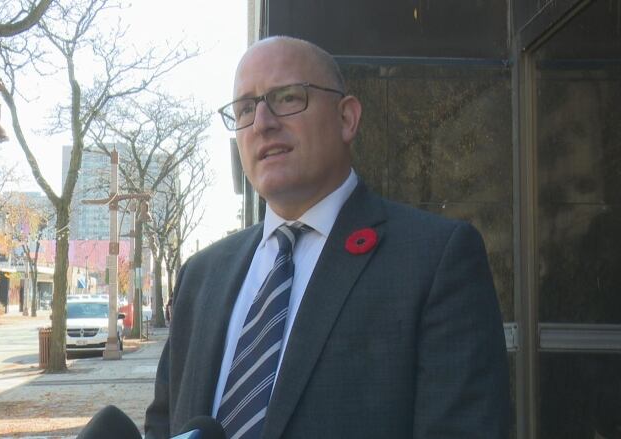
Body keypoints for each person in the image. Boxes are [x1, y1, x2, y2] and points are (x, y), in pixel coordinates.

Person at [144, 36, 509, 438]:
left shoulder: (436, 259)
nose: (262, 123)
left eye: (286, 97)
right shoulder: (200, 275)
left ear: (346, 118)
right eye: (246, 108)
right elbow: (164, 424)